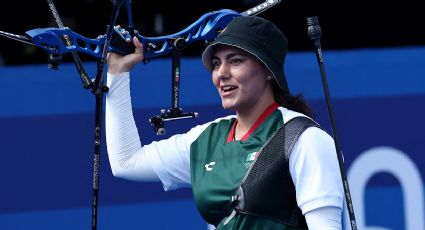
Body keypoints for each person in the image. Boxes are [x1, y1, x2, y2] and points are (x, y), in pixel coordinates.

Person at [106, 16, 344, 229]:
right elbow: (126, 162)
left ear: (268, 70)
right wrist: (117, 73)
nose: (221, 73)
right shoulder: (208, 139)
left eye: (236, 61)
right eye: (217, 63)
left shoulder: (306, 139)